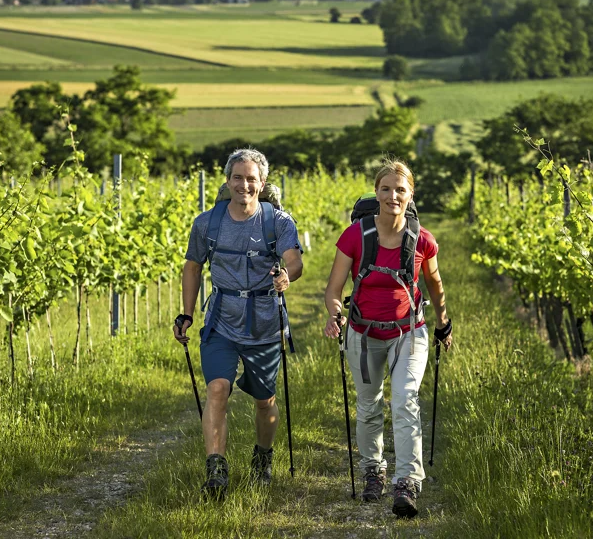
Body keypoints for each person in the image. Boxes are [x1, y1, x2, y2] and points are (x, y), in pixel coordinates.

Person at [323, 160, 452, 519]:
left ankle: (407, 482)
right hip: (363, 334)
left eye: (400, 189)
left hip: (409, 334)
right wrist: (336, 315)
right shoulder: (355, 236)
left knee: (405, 401)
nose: (392, 195)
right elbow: (334, 289)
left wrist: (444, 323)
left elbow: (435, 287)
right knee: (368, 405)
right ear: (376, 192)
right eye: (385, 188)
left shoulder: (422, 239)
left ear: (410, 195)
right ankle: (372, 470)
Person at [174, 149, 303, 499]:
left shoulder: (279, 222)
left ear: (262, 184)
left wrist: (285, 277)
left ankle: (263, 457)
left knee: (265, 400)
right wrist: (187, 314)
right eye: (237, 177)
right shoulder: (206, 223)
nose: (244, 184)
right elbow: (192, 266)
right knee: (217, 389)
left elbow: (294, 261)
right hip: (221, 322)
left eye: (251, 179)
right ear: (227, 180)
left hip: (264, 324)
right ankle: (216, 468)